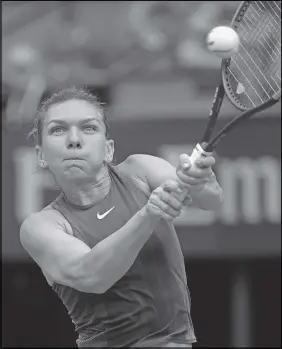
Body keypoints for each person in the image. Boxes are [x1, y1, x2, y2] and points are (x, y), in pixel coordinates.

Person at [20, 87, 224, 348]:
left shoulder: (141, 171)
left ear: (108, 150)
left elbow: (211, 201)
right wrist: (148, 214)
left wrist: (202, 182)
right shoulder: (42, 226)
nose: (74, 140)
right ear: (40, 155)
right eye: (58, 129)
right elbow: (92, 276)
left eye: (88, 128)